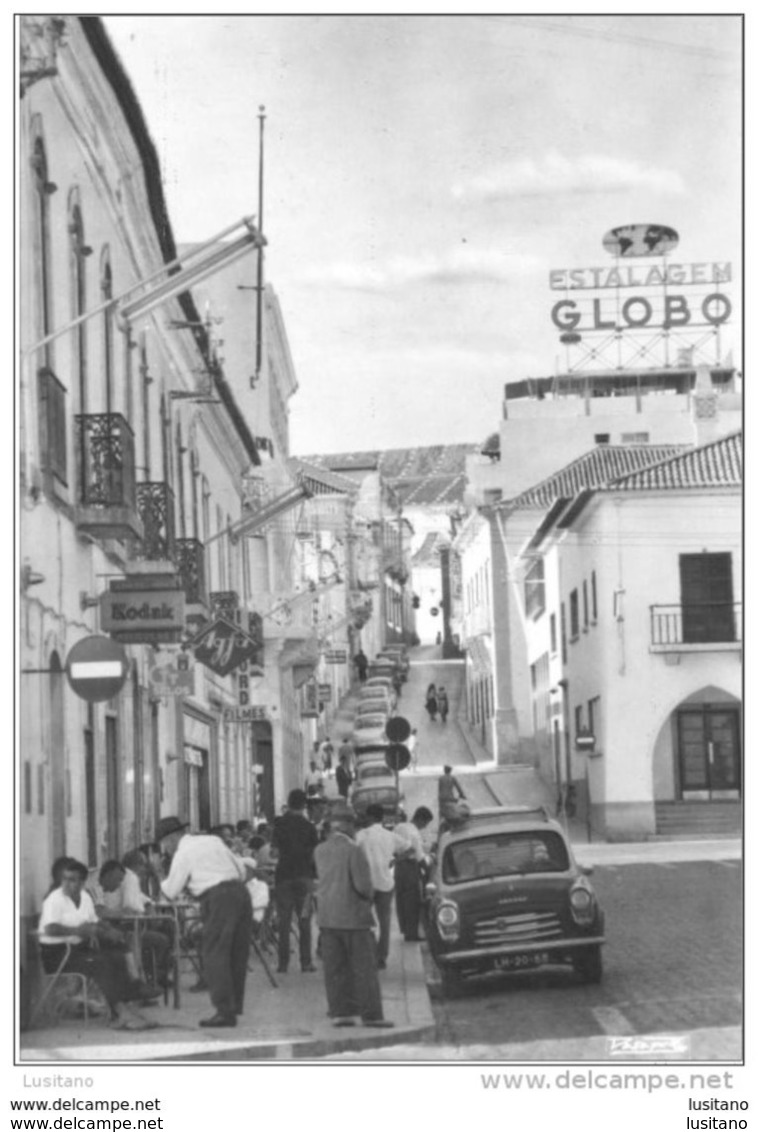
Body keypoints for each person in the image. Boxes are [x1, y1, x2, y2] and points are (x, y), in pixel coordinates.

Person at [38, 858, 157, 1031]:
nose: (72, 883)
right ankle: (121, 1013)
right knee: (100, 962)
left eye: (77, 879)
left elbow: (95, 919)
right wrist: (77, 931)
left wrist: (108, 929)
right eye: (68, 879)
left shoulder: (84, 897)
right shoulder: (54, 900)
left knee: (116, 956)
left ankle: (128, 1006)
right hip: (57, 954)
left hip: (78, 950)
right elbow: (49, 929)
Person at [158, 815, 252, 1028]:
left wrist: (157, 873)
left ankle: (224, 1011)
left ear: (171, 839)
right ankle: (233, 1006)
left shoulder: (183, 852)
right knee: (236, 953)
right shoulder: (213, 840)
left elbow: (171, 890)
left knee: (214, 953)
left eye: (165, 845)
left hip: (218, 899)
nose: (166, 850)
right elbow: (242, 870)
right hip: (241, 893)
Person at [314, 799, 393, 1028]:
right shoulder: (353, 850)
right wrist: (368, 898)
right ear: (348, 825)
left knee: (335, 969)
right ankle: (372, 1016)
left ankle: (341, 1013)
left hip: (327, 918)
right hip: (353, 919)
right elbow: (363, 886)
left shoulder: (319, 850)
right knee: (364, 969)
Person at [96, 859, 171, 990]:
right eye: (118, 880)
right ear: (108, 875)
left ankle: (150, 980)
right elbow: (100, 912)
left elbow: (141, 898)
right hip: (104, 932)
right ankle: (138, 983)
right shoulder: (96, 888)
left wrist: (147, 905)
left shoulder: (117, 888)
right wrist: (121, 913)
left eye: (121, 881)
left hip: (118, 928)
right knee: (132, 938)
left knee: (157, 937)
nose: (119, 884)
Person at [355, 804, 411, 969]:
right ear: (382, 818)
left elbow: (352, 852)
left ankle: (366, 953)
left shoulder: (361, 835)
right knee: (384, 922)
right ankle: (381, 957)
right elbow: (409, 848)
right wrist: (395, 860)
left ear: (370, 817)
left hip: (366, 884)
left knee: (363, 921)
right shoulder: (390, 836)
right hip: (386, 883)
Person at [271, 789, 319, 974]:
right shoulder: (309, 827)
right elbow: (315, 855)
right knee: (305, 920)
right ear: (304, 805)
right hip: (305, 878)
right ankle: (306, 963)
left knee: (283, 922)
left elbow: (274, 852)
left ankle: (283, 964)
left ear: (289, 803)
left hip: (283, 878)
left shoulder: (280, 825)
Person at [393, 807, 434, 942]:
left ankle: (405, 930)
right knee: (412, 901)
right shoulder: (414, 833)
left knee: (401, 900)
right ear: (421, 819)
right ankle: (412, 934)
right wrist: (430, 874)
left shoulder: (399, 827)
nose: (425, 827)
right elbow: (420, 857)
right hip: (410, 869)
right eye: (426, 824)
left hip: (398, 868)